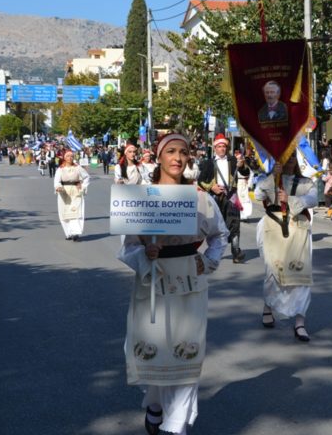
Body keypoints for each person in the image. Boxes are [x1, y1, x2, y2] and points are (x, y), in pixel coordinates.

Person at [117, 133, 228, 435]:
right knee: (151, 348)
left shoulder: (201, 199)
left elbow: (220, 234)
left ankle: (175, 426)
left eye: (183, 152)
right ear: (160, 156)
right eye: (171, 152)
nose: (178, 158)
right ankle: (154, 404)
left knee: (186, 353)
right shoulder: (141, 198)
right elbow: (126, 247)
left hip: (189, 285)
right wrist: (145, 252)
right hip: (152, 283)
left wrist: (210, 260)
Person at [254, 152, 317, 341]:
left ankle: (300, 322)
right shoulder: (268, 179)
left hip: (298, 228)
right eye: (284, 157)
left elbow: (313, 199)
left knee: (300, 274)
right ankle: (268, 305)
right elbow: (258, 194)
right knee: (273, 272)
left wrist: (289, 199)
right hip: (272, 228)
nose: (288, 161)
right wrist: (273, 176)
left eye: (291, 158)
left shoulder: (306, 182)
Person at [198, 134, 250, 263]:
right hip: (215, 197)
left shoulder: (233, 161)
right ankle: (213, 251)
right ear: (215, 148)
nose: (222, 149)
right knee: (215, 226)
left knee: (234, 224)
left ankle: (236, 251)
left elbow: (245, 173)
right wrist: (212, 187)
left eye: (224, 146)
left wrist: (242, 165)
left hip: (231, 196)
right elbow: (200, 181)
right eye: (219, 146)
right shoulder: (208, 163)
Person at [53, 150, 90, 241]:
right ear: (64, 158)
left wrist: (83, 186)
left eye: (72, 156)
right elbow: (56, 181)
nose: (70, 158)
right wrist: (58, 187)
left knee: (76, 212)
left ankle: (75, 232)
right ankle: (68, 233)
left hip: (75, 191)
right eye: (68, 156)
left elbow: (87, 177)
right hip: (64, 192)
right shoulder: (60, 169)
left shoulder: (78, 168)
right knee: (64, 212)